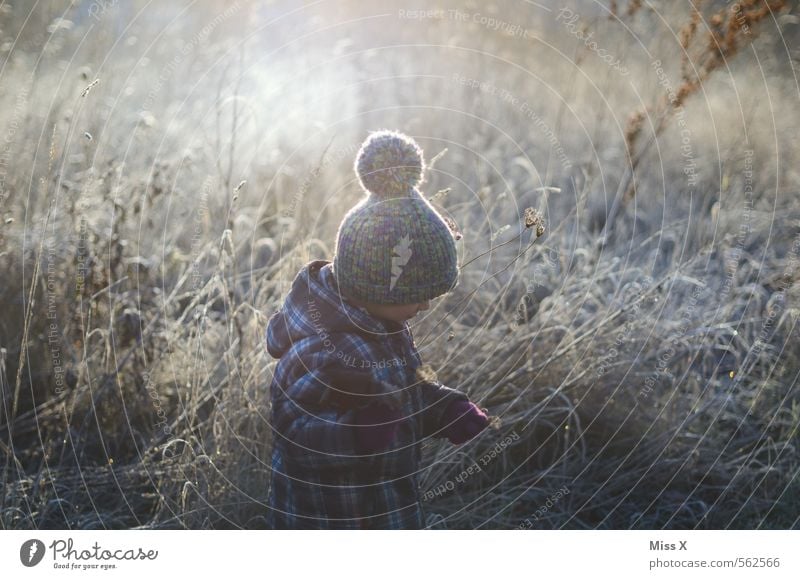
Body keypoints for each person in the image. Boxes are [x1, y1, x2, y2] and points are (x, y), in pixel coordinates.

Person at [264, 130, 490, 529]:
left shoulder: (382, 323)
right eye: (418, 294)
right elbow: (295, 435)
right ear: (371, 284)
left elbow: (402, 391)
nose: (426, 305)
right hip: (329, 519)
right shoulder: (319, 348)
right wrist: (355, 435)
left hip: (386, 506)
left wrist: (443, 408)